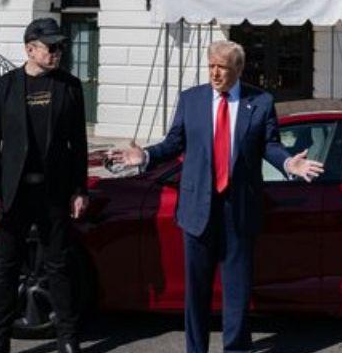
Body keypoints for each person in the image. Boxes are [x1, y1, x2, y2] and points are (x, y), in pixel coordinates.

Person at [109, 40, 324, 353]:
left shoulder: (260, 101)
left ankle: (235, 348)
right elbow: (173, 144)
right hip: (197, 210)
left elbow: (270, 145)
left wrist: (290, 163)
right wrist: (144, 156)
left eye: (222, 67)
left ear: (237, 68)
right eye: (210, 66)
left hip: (239, 210)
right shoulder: (191, 100)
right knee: (195, 292)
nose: (215, 73)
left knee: (236, 291)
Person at [0, 18, 90, 353]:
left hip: (54, 193)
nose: (57, 52)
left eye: (59, 47)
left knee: (58, 267)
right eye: (50, 47)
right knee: (6, 268)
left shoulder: (70, 86)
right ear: (30, 49)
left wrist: (80, 189)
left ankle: (68, 340)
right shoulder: (4, 87)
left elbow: (79, 145)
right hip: (15, 194)